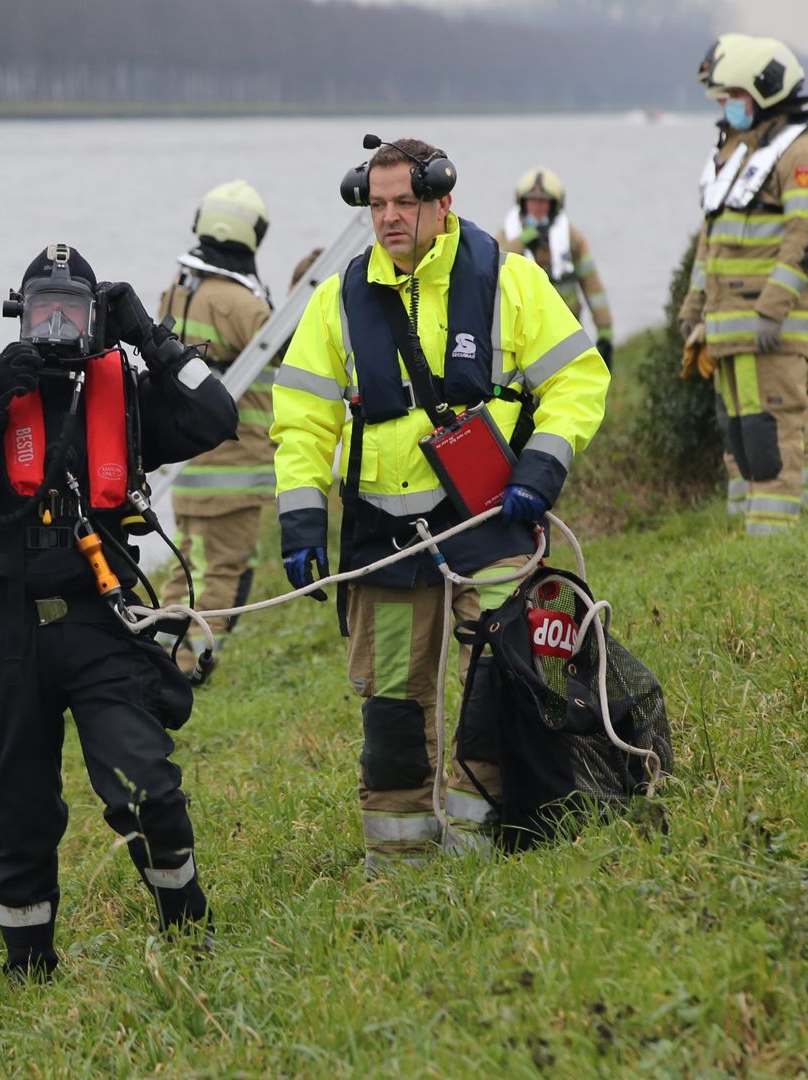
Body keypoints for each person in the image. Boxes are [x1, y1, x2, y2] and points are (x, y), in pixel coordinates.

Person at [0, 244, 238, 978]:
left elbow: (218, 413)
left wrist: (152, 335)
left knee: (146, 782)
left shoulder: (129, 392)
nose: (56, 331)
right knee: (19, 809)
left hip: (100, 620)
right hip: (5, 630)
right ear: (19, 314)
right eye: (43, 313)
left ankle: (188, 928)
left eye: (72, 314)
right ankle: (29, 968)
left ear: (95, 317)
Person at [273, 137, 609, 869]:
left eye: (404, 202)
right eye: (377, 204)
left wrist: (540, 471)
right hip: (382, 539)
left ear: (441, 200)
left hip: (492, 522)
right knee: (391, 707)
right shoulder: (335, 299)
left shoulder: (508, 279)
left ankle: (494, 846)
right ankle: (399, 864)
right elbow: (300, 419)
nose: (389, 218)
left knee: (502, 684)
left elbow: (579, 379)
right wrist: (300, 521)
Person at [678, 35, 808, 533]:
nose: (727, 108)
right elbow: (714, 240)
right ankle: (752, 518)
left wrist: (773, 308)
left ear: (765, 91)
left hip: (769, 321)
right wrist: (693, 305)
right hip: (728, 322)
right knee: (740, 426)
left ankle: (776, 532)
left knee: (776, 420)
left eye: (734, 97)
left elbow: (806, 239)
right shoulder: (735, 150)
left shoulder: (802, 151)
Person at [154, 180, 276, 683]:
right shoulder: (244, 305)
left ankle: (159, 659)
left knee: (188, 573)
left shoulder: (177, 293)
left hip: (188, 468)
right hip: (235, 470)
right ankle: (185, 671)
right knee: (221, 576)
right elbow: (291, 363)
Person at [498, 168, 617, 369]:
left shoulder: (571, 237)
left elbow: (592, 284)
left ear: (554, 205)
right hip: (522, 331)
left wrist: (605, 330)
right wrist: (522, 242)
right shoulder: (507, 235)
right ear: (523, 202)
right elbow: (495, 267)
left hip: (566, 329)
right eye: (532, 200)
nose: (537, 206)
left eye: (544, 201)